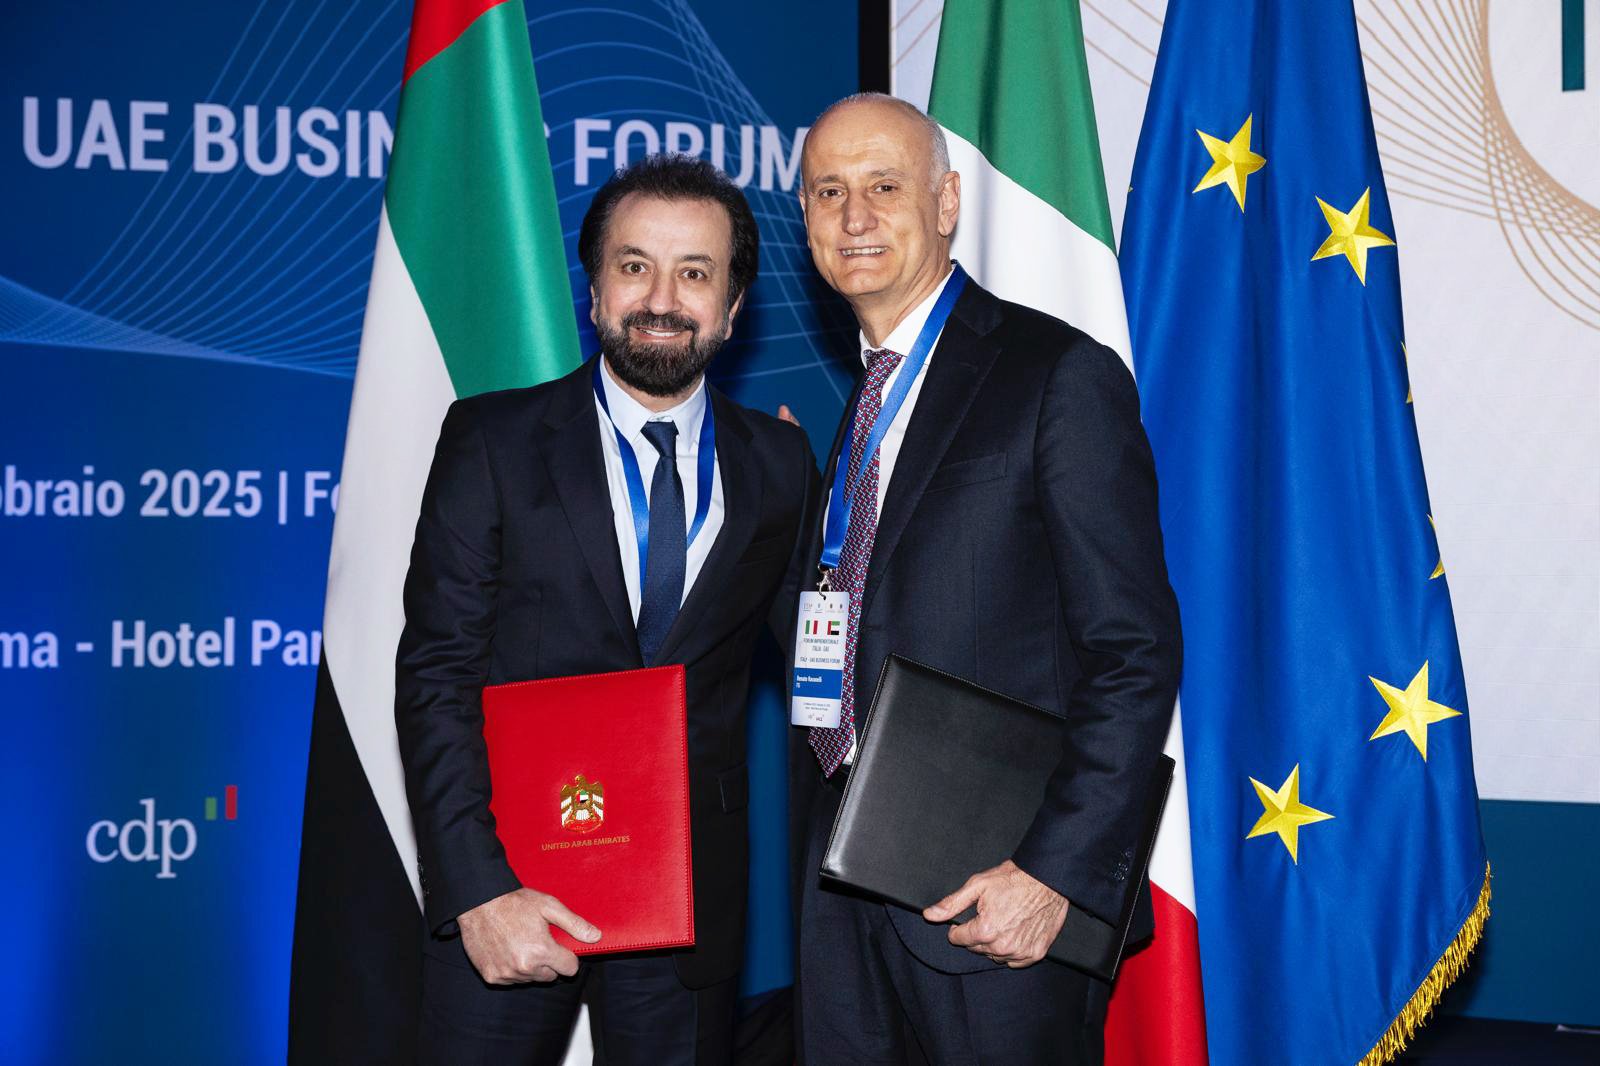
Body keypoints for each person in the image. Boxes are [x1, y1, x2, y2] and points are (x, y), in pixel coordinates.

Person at [396, 154, 819, 1065]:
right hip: (512, 883)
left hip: (686, 901)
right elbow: (434, 675)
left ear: (733, 307)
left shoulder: (781, 465)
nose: (661, 299)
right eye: (635, 266)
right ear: (594, 293)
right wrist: (477, 890)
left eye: (695, 273)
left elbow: (822, 668)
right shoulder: (491, 440)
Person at [789, 93, 1182, 1064]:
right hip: (844, 895)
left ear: (947, 201)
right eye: (828, 192)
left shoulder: (1056, 375)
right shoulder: (861, 403)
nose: (854, 216)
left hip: (998, 908)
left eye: (884, 187)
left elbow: (1133, 651)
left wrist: (1052, 873)